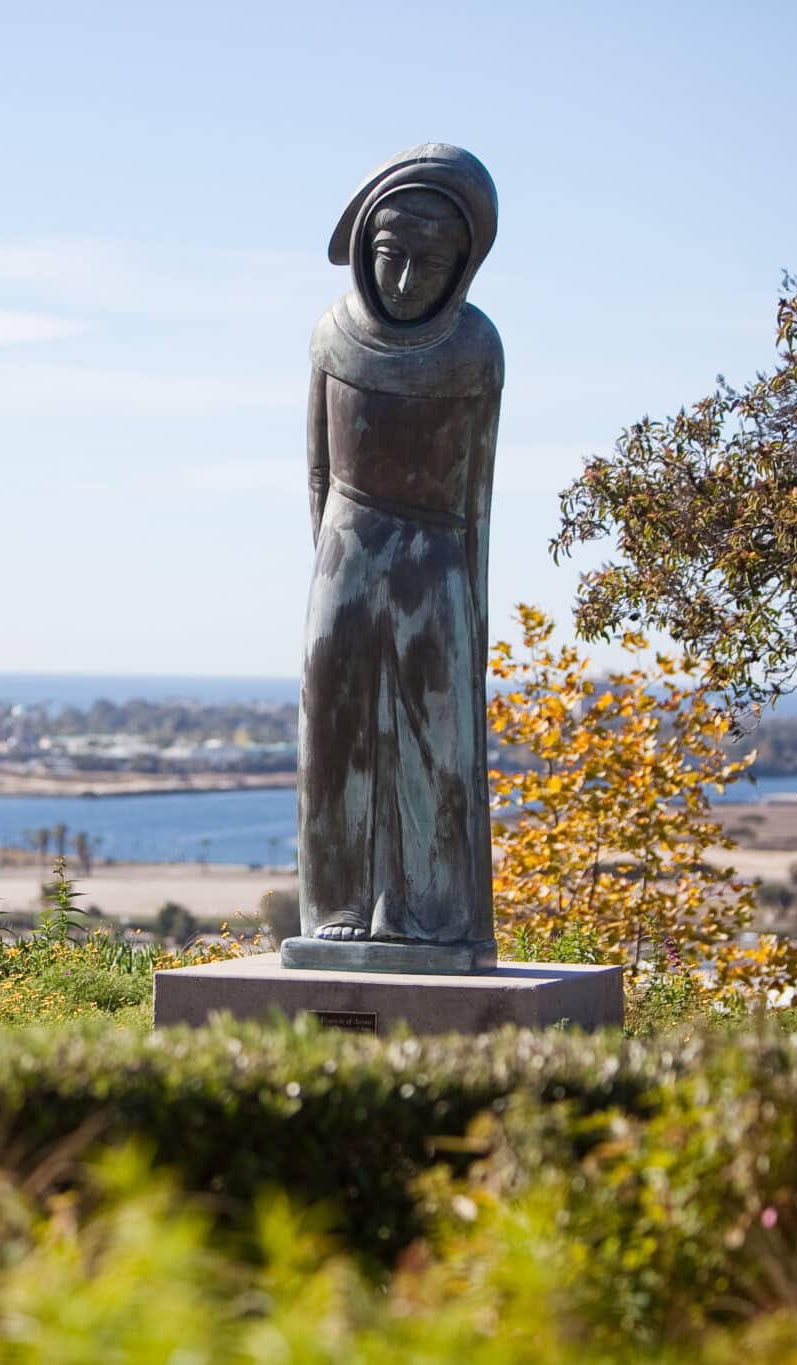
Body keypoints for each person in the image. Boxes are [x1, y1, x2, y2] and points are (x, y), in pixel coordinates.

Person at [295, 143, 501, 968]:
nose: (409, 280)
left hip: (436, 561)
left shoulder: (475, 349)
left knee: (430, 739)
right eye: (392, 257)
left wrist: (471, 606)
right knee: (335, 729)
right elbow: (316, 470)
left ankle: (426, 910)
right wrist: (332, 569)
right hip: (345, 552)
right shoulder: (329, 337)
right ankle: (338, 902)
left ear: (463, 266)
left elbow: (477, 489)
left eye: (430, 262)